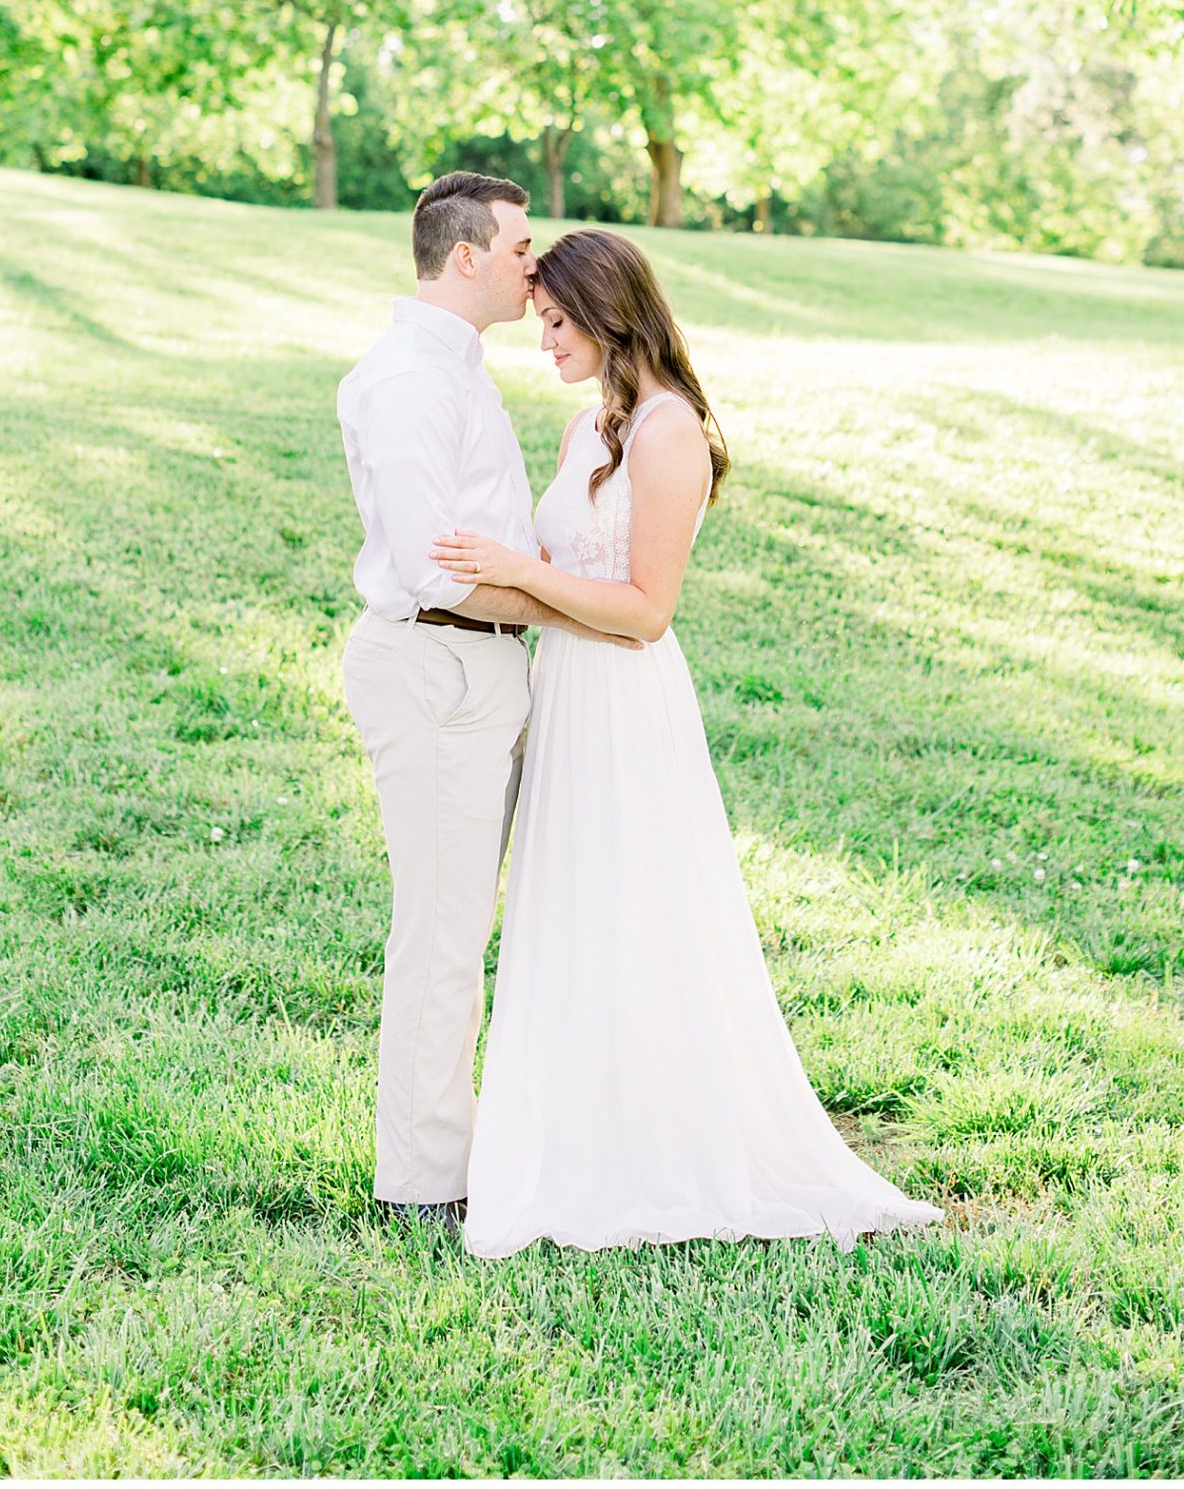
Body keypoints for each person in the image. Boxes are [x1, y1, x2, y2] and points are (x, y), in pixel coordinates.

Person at [429, 225, 945, 1257]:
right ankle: (571, 1136)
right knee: (568, 909)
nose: (545, 339)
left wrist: (519, 573)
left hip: (625, 703)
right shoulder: (587, 428)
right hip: (566, 690)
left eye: (559, 321)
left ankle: (656, 1148)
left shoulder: (670, 433)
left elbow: (645, 610)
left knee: (633, 911)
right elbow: (565, 576)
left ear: (609, 314)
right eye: (541, 320)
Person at [336, 173, 634, 1231]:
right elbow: (435, 570)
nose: (532, 263)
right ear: (464, 255)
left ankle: (489, 1148)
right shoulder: (409, 381)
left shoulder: (458, 372)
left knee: (474, 924)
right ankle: (423, 1183)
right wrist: (586, 613)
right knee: (444, 934)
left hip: (485, 666)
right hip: (438, 665)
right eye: (517, 247)